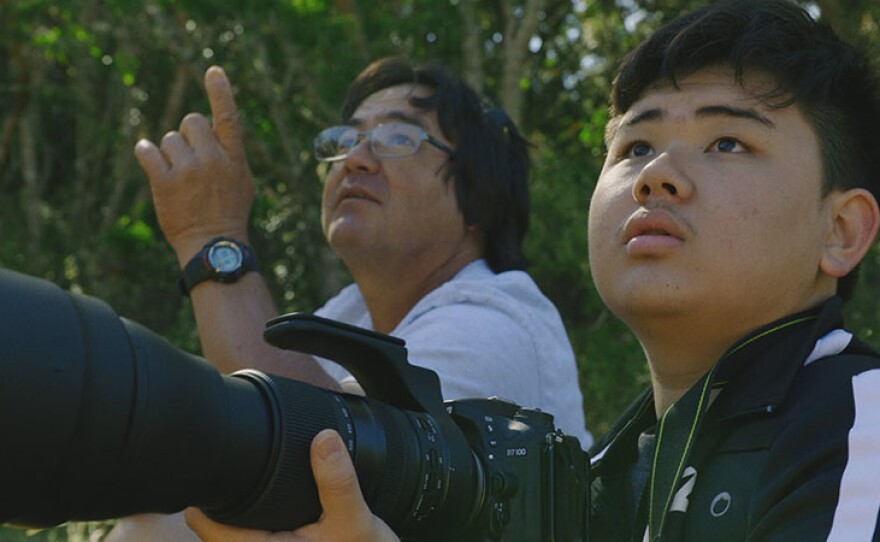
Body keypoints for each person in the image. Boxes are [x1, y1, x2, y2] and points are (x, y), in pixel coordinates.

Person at [181, 0, 880, 540]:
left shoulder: (859, 425)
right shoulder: (614, 474)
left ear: (842, 230)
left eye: (726, 141)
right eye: (636, 146)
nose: (657, 177)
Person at [107, 58, 591, 541]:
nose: (356, 158)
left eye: (399, 139)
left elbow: (323, 456)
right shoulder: (350, 310)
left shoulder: (498, 321)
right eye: (346, 140)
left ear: (478, 198)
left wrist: (211, 237)